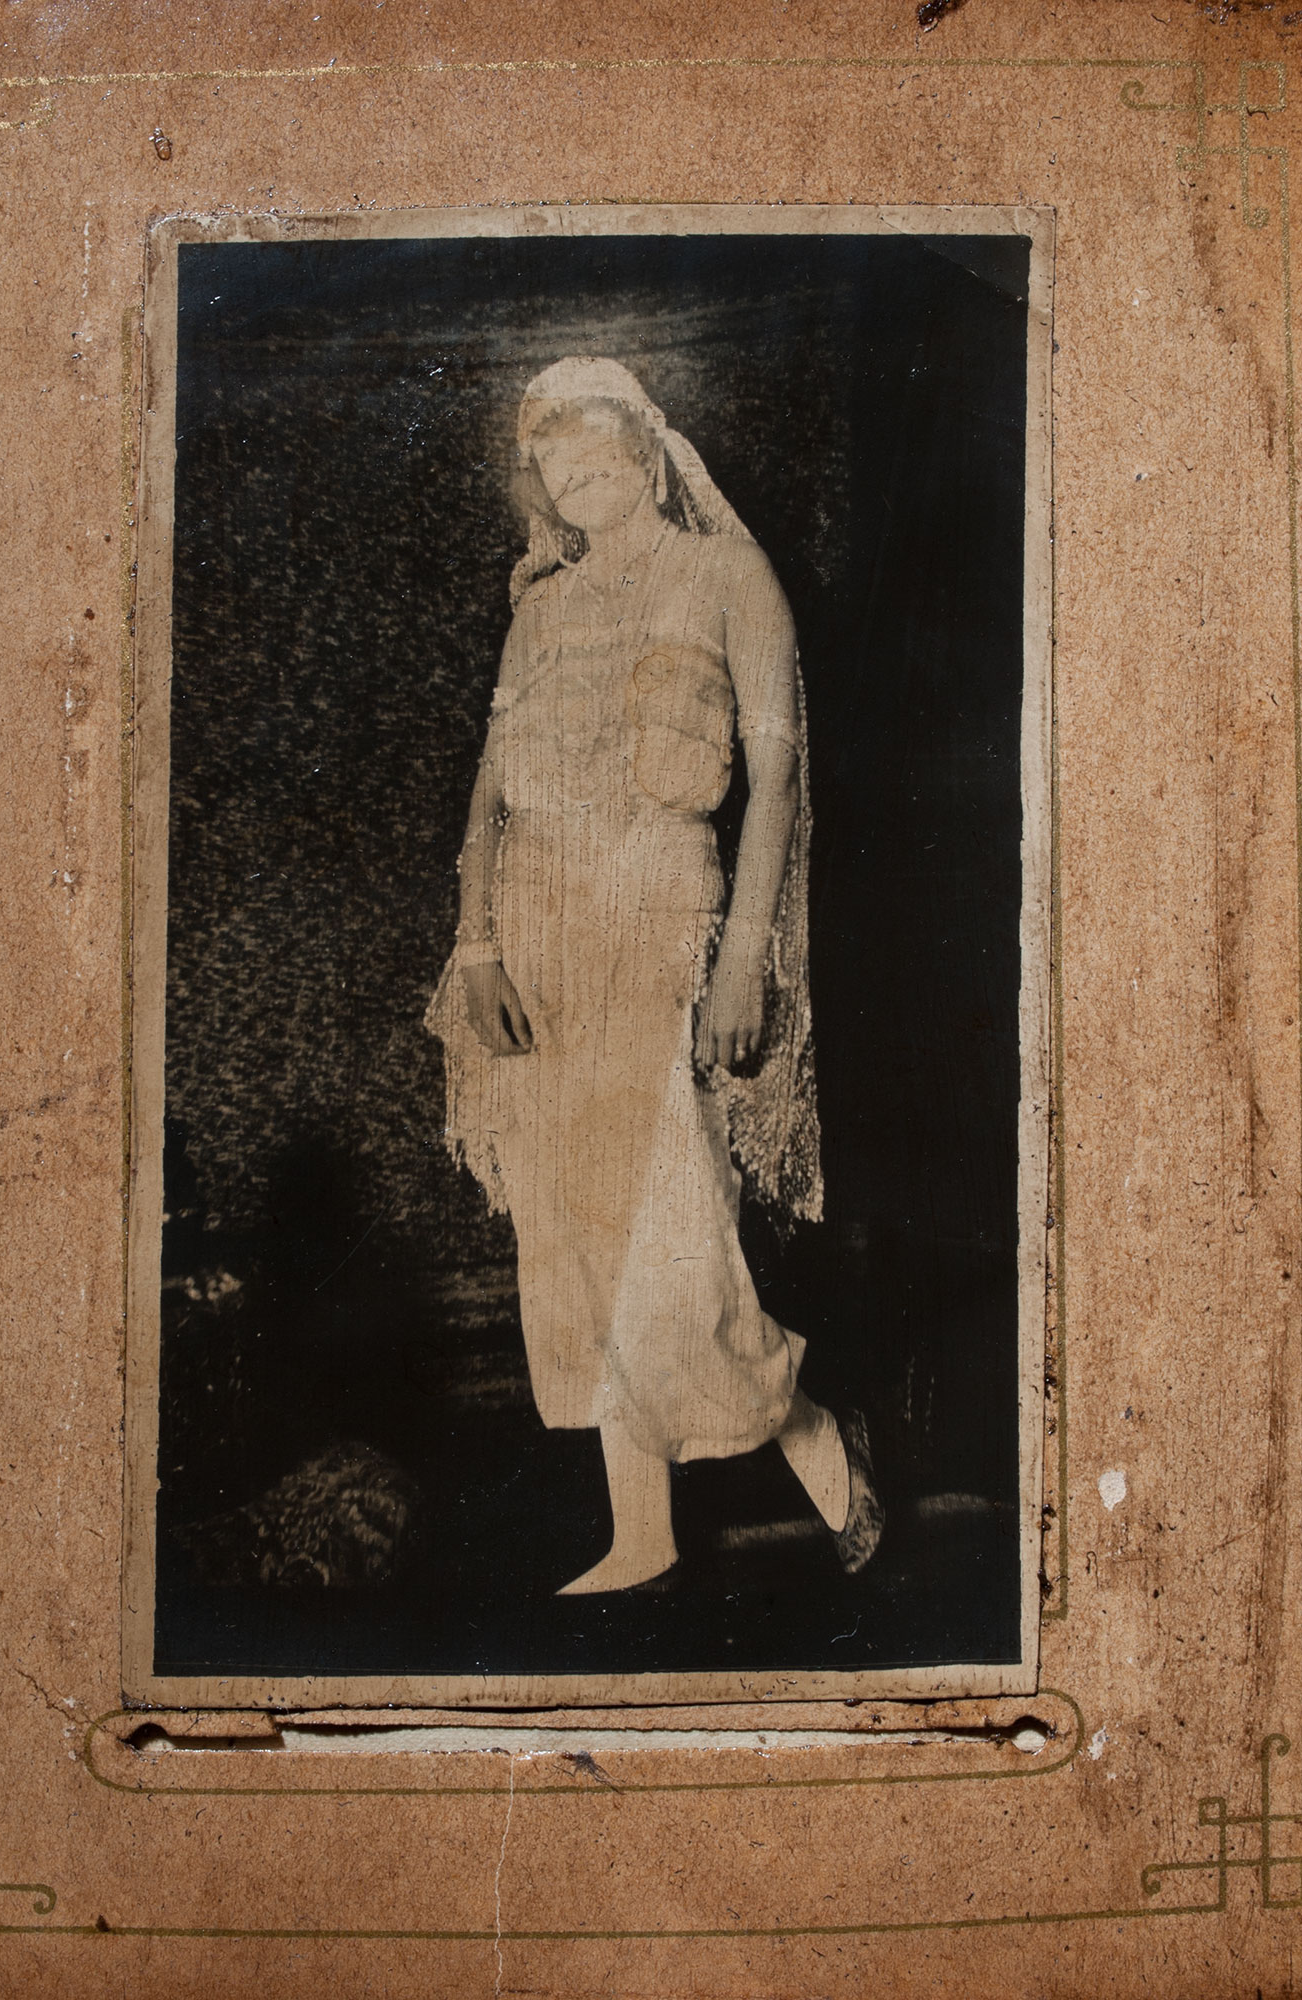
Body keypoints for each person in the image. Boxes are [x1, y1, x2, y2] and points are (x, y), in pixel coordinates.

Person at [427, 356, 881, 1594]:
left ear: (646, 450)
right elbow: (486, 798)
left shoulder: (728, 576)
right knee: (572, 1224)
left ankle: (808, 1425)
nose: (578, 479)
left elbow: (776, 785)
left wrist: (744, 962)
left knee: (671, 1218)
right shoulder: (537, 610)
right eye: (554, 465)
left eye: (596, 453)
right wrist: (477, 943)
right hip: (541, 935)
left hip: (667, 915)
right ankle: (644, 1531)